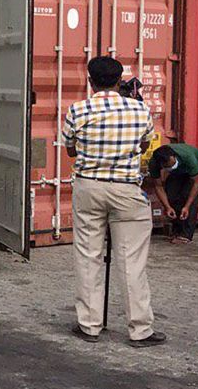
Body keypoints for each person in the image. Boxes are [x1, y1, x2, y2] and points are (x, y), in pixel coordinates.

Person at [61, 56, 165, 347]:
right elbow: (145, 144)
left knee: (88, 255)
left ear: (90, 81)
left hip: (89, 188)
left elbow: (70, 150)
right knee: (131, 261)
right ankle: (140, 330)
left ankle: (89, 325)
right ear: (120, 81)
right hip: (126, 190)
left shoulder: (78, 110)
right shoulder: (139, 109)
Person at [148, 143, 198, 243]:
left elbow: (196, 182)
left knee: (188, 196)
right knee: (171, 194)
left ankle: (185, 235)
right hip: (179, 172)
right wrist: (167, 207)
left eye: (172, 164)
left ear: (174, 156)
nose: (170, 166)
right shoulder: (154, 163)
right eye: (167, 166)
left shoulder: (187, 156)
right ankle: (176, 231)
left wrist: (187, 206)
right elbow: (158, 186)